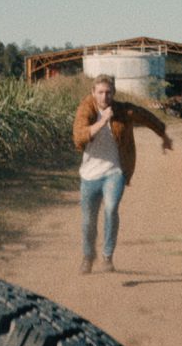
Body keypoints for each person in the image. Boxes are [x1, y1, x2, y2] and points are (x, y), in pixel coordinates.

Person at [70, 74, 171, 274]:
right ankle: (88, 256)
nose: (104, 97)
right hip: (89, 174)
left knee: (111, 208)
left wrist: (164, 135)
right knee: (88, 221)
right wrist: (103, 120)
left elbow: (145, 116)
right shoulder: (85, 110)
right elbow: (79, 138)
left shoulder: (122, 110)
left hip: (115, 171)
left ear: (114, 93)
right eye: (100, 92)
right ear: (93, 93)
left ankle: (107, 256)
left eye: (108, 92)